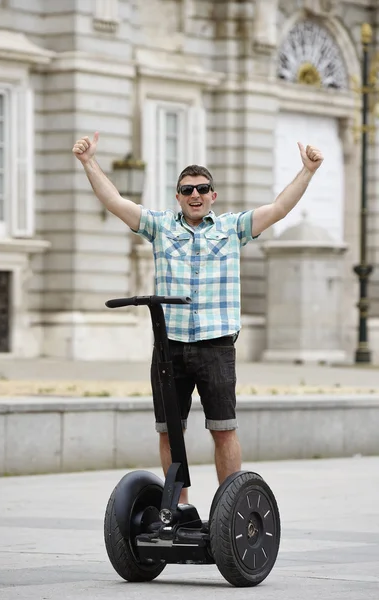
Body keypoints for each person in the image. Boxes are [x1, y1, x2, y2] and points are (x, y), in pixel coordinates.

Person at [72, 132, 323, 502]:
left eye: (202, 189)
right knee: (170, 431)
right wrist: (89, 161)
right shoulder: (160, 227)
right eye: (187, 189)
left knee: (223, 429)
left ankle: (229, 509)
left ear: (212, 196)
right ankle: (181, 507)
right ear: (178, 197)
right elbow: (114, 201)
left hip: (216, 346)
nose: (195, 195)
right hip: (169, 346)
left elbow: (278, 208)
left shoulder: (232, 228)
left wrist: (308, 170)